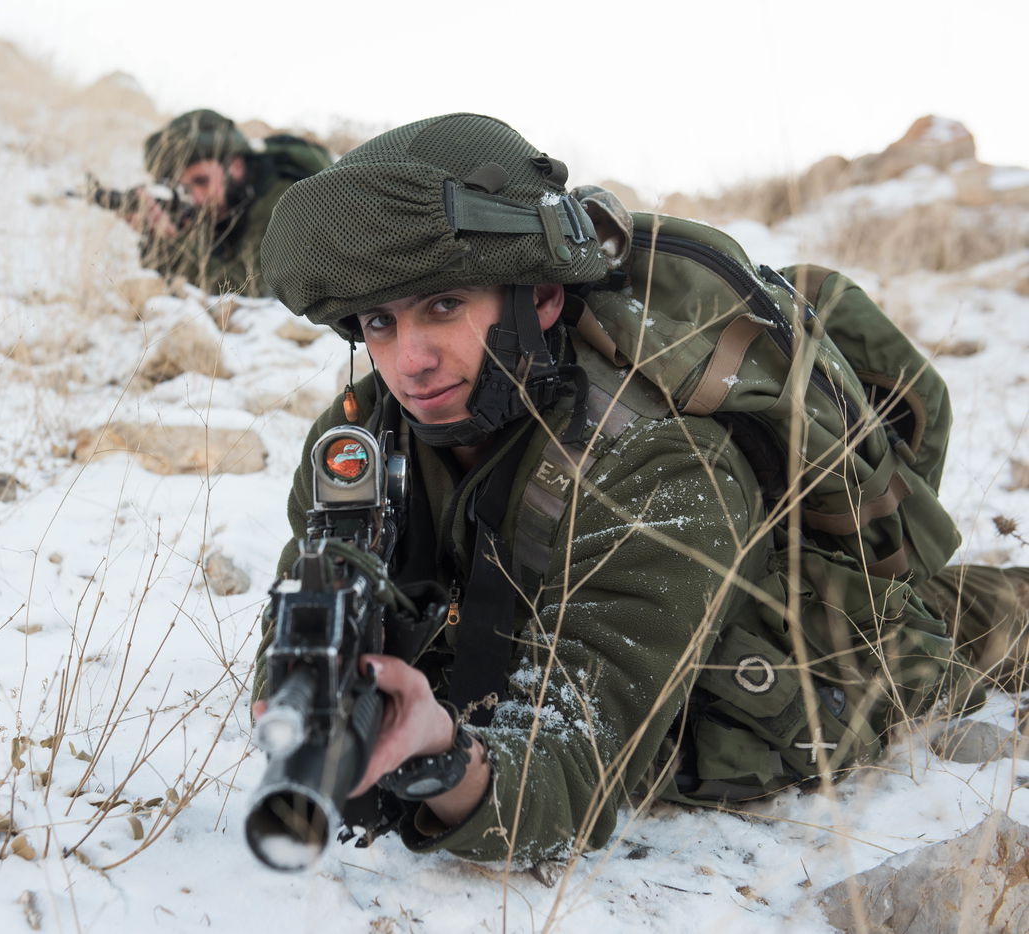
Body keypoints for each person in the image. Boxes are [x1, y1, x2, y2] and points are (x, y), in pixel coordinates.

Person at [251, 112, 1029, 866]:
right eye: (379, 323)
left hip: (803, 649)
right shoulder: (360, 437)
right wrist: (313, 692)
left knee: (957, 633)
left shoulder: (663, 462)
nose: (409, 359)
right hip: (555, 614)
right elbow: (317, 601)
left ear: (543, 297)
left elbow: (578, 765)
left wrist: (448, 765)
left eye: (445, 306)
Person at [126, 109, 331, 296]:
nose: (195, 198)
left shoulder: (286, 201)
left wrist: (173, 243)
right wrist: (155, 238)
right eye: (185, 188)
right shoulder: (222, 204)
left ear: (235, 166)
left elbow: (249, 289)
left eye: (201, 181)